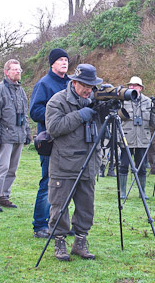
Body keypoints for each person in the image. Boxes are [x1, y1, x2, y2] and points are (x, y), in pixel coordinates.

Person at [45, 63, 103, 261]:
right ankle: (59, 242)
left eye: (91, 86)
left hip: (89, 163)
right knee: (59, 206)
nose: (88, 90)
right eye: (85, 85)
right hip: (64, 164)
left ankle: (80, 242)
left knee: (86, 207)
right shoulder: (57, 101)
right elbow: (54, 127)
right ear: (74, 82)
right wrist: (79, 115)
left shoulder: (94, 100)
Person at [29, 48, 70, 238]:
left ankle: (60, 224)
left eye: (66, 60)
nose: (64, 62)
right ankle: (40, 225)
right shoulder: (43, 84)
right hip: (50, 140)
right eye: (60, 59)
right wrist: (56, 116)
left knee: (68, 184)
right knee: (48, 182)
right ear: (52, 63)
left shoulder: (72, 84)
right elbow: (35, 111)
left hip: (71, 142)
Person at [0, 59, 31, 212]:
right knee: (2, 168)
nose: (18, 72)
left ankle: (4, 196)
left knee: (12, 170)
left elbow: (25, 114)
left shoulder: (21, 91)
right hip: (5, 137)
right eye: (15, 70)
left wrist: (27, 133)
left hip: (18, 136)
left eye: (19, 69)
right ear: (6, 72)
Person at [119, 76, 155, 200]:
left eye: (135, 85)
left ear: (140, 88)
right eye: (130, 85)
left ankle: (142, 192)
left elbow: (154, 120)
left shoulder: (148, 102)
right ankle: (122, 192)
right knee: (124, 165)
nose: (132, 87)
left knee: (142, 167)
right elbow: (116, 119)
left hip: (143, 139)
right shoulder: (122, 100)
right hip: (126, 138)